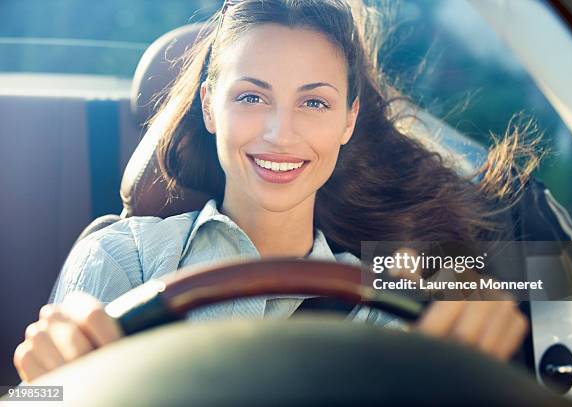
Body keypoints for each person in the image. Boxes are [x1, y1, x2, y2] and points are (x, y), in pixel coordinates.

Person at [14, 0, 530, 383]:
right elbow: (32, 402)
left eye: (314, 104)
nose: (280, 134)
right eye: (252, 96)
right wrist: (40, 386)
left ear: (349, 121)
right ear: (210, 107)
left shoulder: (384, 302)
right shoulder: (122, 257)